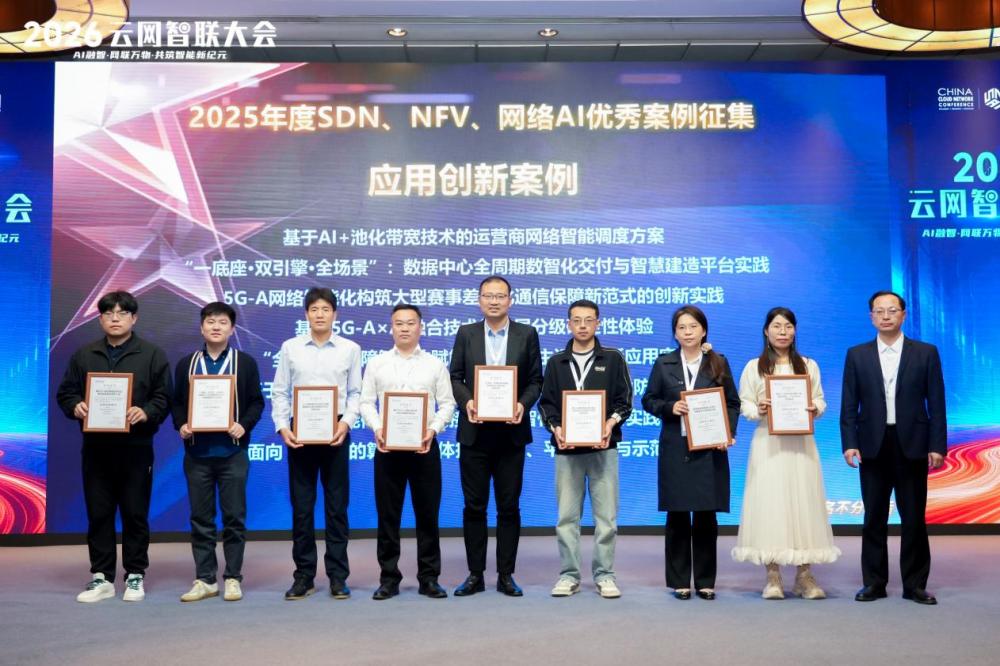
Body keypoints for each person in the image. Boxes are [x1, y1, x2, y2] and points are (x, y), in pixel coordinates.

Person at [56, 290, 172, 603]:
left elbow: (164, 397)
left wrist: (145, 411)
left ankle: (135, 574)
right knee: (99, 513)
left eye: (122, 313)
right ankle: (102, 577)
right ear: (101, 319)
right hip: (96, 449)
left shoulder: (152, 355)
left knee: (135, 513)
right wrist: (76, 405)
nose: (115, 318)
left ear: (134, 318)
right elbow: (65, 393)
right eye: (108, 313)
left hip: (136, 448)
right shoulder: (85, 355)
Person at [841, 290, 947, 605]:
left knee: (913, 517)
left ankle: (915, 585)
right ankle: (874, 583)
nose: (885, 316)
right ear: (871, 317)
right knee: (874, 516)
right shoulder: (857, 354)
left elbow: (937, 403)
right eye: (879, 311)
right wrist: (849, 443)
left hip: (912, 444)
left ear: (903, 314)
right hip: (872, 444)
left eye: (892, 310)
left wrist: (937, 445)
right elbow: (849, 404)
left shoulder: (925, 352)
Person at [731, 307, 840, 599]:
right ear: (766, 331)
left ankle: (804, 576)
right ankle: (773, 576)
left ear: (795, 331)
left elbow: (820, 400)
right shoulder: (754, 367)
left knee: (804, 503)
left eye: (788, 326)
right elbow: (744, 403)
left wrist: (814, 408)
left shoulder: (808, 365)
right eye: (777, 326)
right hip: (768, 443)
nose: (783, 331)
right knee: (771, 504)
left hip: (801, 443)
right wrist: (758, 408)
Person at [449, 275, 543, 597]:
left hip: (511, 435)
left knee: (508, 506)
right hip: (474, 434)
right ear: (479, 301)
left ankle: (506, 575)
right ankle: (475, 574)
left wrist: (522, 405)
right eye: (488, 296)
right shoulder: (466, 334)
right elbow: (455, 377)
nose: (494, 301)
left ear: (510, 300)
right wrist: (468, 402)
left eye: (500, 296)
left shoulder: (527, 334)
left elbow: (536, 380)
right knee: (474, 506)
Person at [359, 304, 457, 600]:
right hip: (387, 448)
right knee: (388, 516)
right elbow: (365, 403)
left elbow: (448, 403)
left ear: (420, 328)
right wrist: (378, 428)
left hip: (424, 447)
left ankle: (429, 578)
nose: (404, 328)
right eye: (399, 323)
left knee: (427, 515)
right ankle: (389, 578)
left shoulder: (435, 365)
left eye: (410, 323)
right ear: (391, 328)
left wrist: (433, 429)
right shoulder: (376, 364)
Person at [641, 305, 738, 601]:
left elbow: (732, 403)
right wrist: (670, 407)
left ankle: (706, 581)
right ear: (675, 333)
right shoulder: (664, 363)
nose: (687, 332)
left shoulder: (718, 362)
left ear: (703, 330)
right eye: (681, 327)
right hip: (676, 448)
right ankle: (679, 581)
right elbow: (648, 399)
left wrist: (727, 433)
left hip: (709, 449)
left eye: (693, 326)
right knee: (678, 516)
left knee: (706, 517)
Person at [538, 300, 633, 599]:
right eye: (576, 320)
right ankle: (569, 575)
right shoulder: (556, 362)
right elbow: (546, 404)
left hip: (604, 449)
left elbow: (625, 400)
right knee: (566, 518)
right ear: (568, 324)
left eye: (588, 320)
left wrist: (610, 423)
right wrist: (556, 428)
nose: (582, 326)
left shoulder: (613, 358)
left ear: (598, 323)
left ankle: (605, 575)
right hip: (567, 451)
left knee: (606, 518)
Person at [271, 287, 362, 600]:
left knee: (337, 508)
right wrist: (283, 427)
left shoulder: (350, 349)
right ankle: (304, 576)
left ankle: (338, 576)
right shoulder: (290, 347)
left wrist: (346, 423)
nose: (320, 314)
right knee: (302, 507)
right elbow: (280, 391)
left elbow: (355, 393)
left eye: (325, 309)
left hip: (336, 431)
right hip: (300, 432)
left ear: (335, 314)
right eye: (314, 309)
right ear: (306, 314)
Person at [172, 302, 265, 603]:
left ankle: (233, 578)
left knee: (234, 518)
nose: (216, 327)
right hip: (197, 454)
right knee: (201, 519)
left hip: (232, 454)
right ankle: (205, 579)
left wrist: (243, 425)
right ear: (201, 327)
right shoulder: (186, 364)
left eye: (222, 322)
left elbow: (256, 402)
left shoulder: (245, 363)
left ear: (232, 329)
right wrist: (181, 424)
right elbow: (176, 402)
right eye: (210, 321)